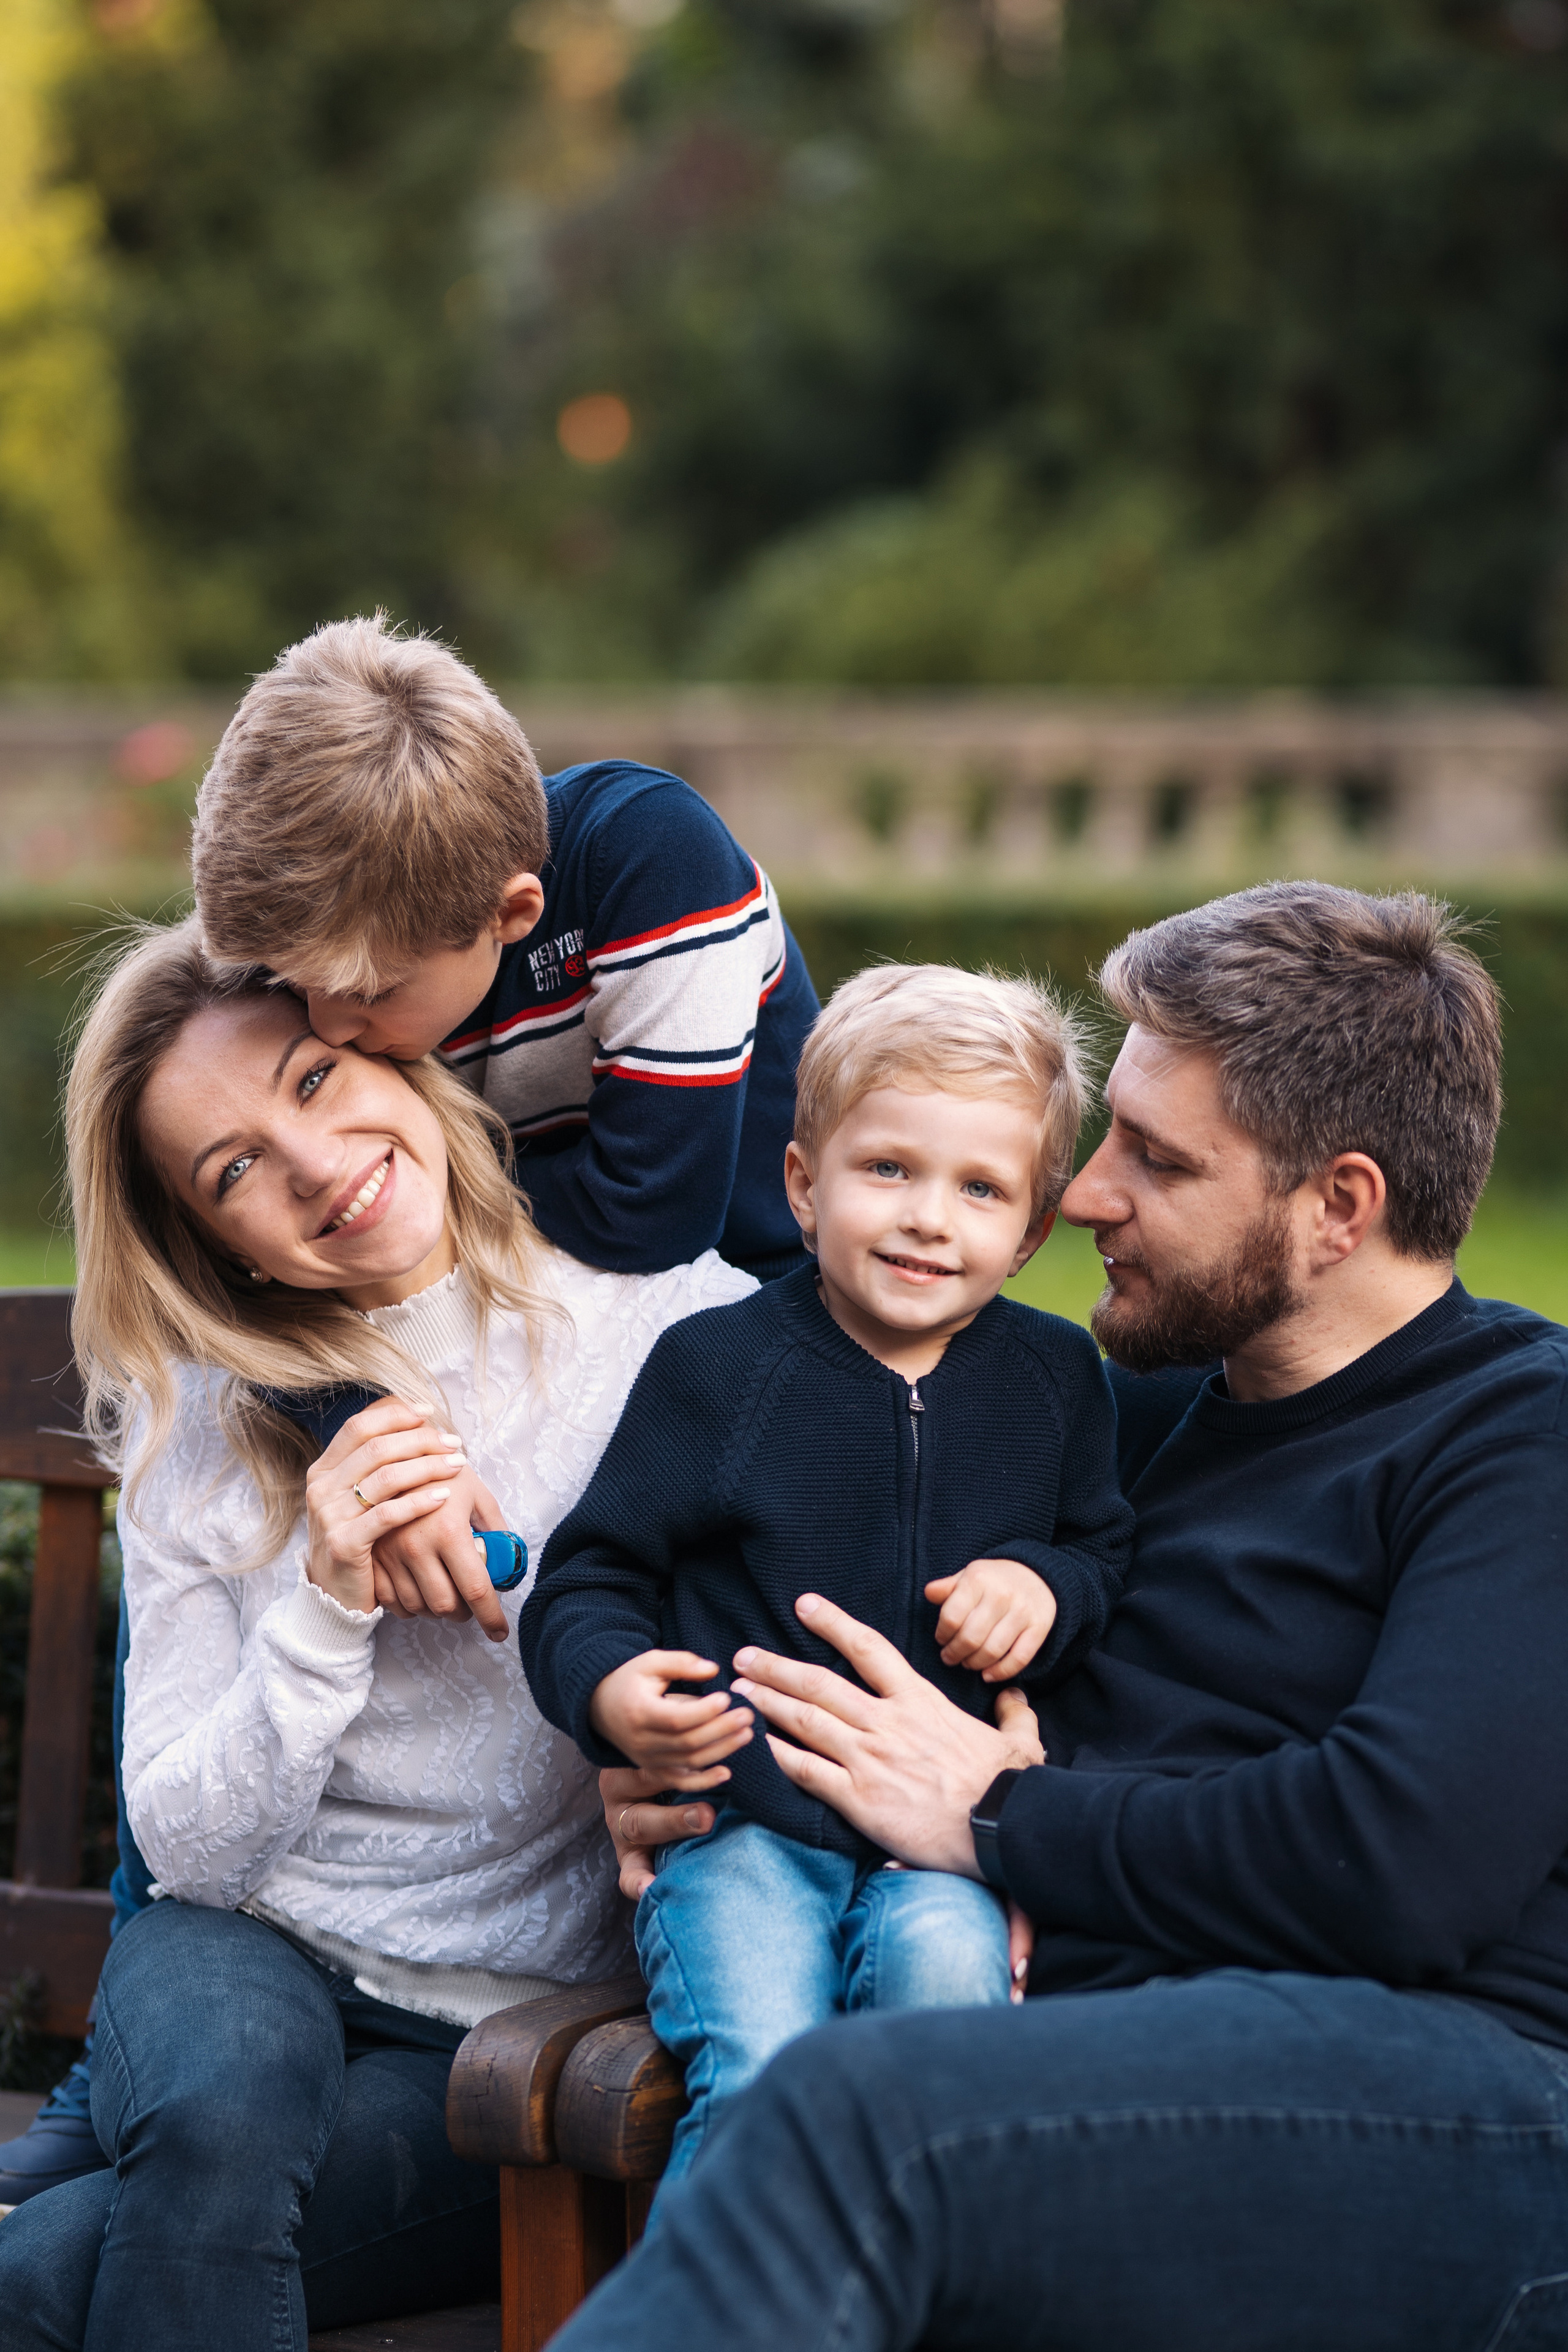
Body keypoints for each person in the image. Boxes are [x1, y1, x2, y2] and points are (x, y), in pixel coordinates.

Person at [552, 881, 1568, 2352]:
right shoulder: (1116, 1407)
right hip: (1094, 2063)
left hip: (1458, 2095)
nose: (1080, 1194)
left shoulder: (1515, 1436)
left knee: (857, 2122)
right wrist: (682, 1739)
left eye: (1154, 1160)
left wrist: (995, 1813)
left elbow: (1404, 1858)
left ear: (1337, 1206)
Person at [0, 611, 819, 2207]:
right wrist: (364, 1395)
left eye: (336, 1040)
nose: (339, 1029)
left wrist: (435, 1217)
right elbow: (188, 1841)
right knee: (157, 2153)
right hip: (252, 1956)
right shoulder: (384, 926)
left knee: (78, 2249)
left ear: (507, 916)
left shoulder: (652, 881)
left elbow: (654, 1213)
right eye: (301, 1012)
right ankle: (102, 2113)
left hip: (755, 1273)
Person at [0, 919, 753, 2351]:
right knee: (215, 2118)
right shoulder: (210, 1423)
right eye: (231, 1172)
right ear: (208, 1238)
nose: (312, 1164)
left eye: (305, 1079)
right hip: (251, 1947)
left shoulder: (667, 1323)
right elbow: (193, 1849)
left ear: (385, 1041)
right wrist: (324, 1600)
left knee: (45, 2278)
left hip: (511, 2029)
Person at [521, 964, 1133, 2180]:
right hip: (740, 1827)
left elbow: (1100, 1553)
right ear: (804, 1185)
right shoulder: (717, 1369)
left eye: (978, 1189)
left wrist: (1044, 1588)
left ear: (1026, 1228)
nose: (926, 1218)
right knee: (758, 2059)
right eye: (887, 1170)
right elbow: (589, 1579)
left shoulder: (1054, 1381)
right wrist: (612, 1697)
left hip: (943, 1843)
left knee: (946, 2015)